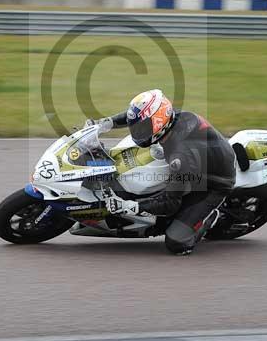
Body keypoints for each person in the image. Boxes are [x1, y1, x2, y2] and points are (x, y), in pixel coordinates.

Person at [88, 89, 236, 255]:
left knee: (177, 242)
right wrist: (105, 123)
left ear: (158, 124)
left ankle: (210, 217)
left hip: (214, 182)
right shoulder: (170, 118)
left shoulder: (179, 158)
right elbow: (136, 117)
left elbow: (171, 203)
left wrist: (131, 206)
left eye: (142, 128)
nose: (136, 131)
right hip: (200, 159)